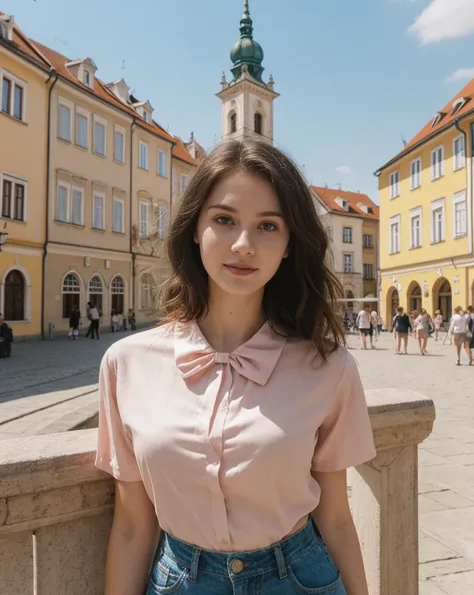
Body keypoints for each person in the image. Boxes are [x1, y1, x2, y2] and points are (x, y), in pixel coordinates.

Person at [95, 139, 376, 595]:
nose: (243, 245)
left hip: (300, 580)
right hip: (180, 581)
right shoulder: (125, 364)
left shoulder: (330, 369)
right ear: (194, 229)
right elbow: (131, 526)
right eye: (224, 220)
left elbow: (337, 518)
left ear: (288, 245)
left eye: (268, 226)